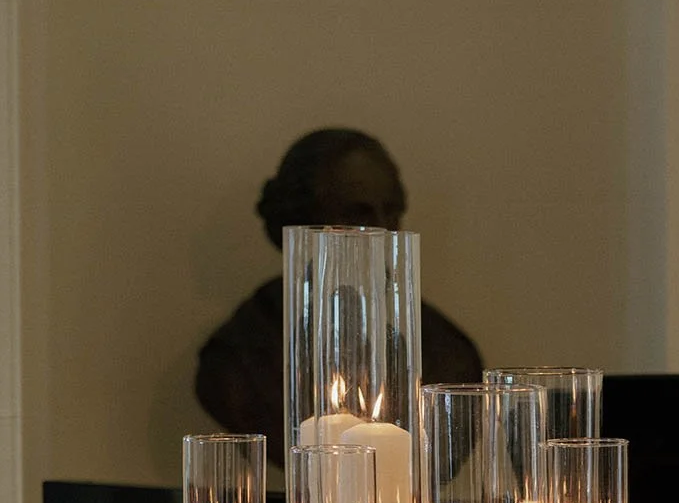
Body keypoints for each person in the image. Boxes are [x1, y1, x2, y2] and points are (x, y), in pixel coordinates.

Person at [195, 126, 482, 452]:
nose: (380, 228)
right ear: (303, 214)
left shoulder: (447, 351)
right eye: (357, 212)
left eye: (391, 210)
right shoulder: (239, 355)